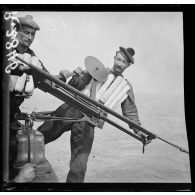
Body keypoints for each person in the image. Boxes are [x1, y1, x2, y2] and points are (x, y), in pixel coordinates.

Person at [37, 46, 149, 183]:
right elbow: (76, 85)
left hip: (89, 121)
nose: (120, 64)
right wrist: (75, 77)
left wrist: (139, 130)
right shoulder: (96, 69)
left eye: (124, 62)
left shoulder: (125, 87)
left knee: (79, 166)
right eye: (119, 59)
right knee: (38, 138)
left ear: (128, 65)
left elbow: (130, 112)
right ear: (114, 58)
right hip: (71, 108)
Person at [8, 15, 58, 182]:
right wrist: (18, 68)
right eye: (26, 33)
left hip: (11, 116)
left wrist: (65, 78)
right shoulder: (7, 52)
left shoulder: (32, 57)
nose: (29, 38)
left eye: (32, 34)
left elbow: (48, 81)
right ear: (15, 32)